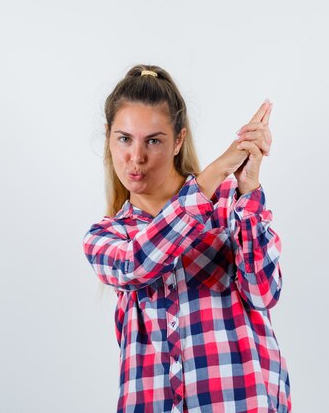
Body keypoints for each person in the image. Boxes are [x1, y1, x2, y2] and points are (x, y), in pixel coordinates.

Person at [82, 64, 291, 413]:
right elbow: (135, 264)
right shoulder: (107, 237)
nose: (136, 157)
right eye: (124, 138)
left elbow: (265, 292)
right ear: (108, 137)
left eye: (153, 140)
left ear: (178, 139)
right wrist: (212, 175)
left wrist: (248, 187)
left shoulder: (228, 202)